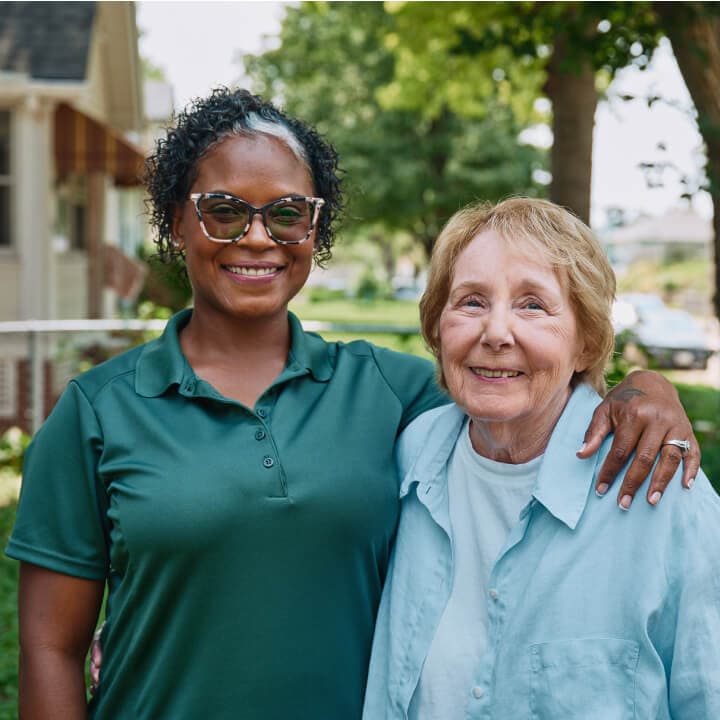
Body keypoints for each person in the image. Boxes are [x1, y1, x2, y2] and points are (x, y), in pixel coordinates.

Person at [6, 89, 698, 720]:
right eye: (223, 211)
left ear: (316, 230)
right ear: (178, 222)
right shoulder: (97, 413)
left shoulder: (389, 394)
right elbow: (50, 650)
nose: (256, 237)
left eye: (286, 214)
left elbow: (519, 388)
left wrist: (645, 387)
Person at [363, 197, 720, 720]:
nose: (496, 333)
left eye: (533, 305)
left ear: (586, 343)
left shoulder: (663, 497)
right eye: (471, 302)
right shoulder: (408, 460)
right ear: (438, 330)